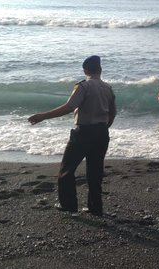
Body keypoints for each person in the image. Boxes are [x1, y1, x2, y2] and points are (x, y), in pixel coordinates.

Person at [28, 55, 116, 215]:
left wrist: (42, 116)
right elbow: (113, 112)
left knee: (66, 169)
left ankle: (69, 205)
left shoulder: (83, 86)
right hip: (102, 133)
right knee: (95, 172)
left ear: (85, 70)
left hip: (84, 133)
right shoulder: (108, 88)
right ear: (100, 70)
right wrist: (103, 127)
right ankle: (95, 207)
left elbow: (69, 107)